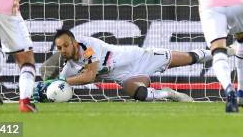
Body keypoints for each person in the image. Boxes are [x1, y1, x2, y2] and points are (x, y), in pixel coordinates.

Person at [36, 29, 217, 102]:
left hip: (141, 58)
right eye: (59, 48)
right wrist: (53, 86)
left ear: (74, 42)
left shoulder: (88, 47)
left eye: (66, 45)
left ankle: (223, 51)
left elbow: (90, 76)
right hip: (127, 77)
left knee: (190, 58)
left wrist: (63, 81)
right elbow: (58, 81)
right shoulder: (70, 67)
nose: (63, 50)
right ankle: (169, 93)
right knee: (140, 94)